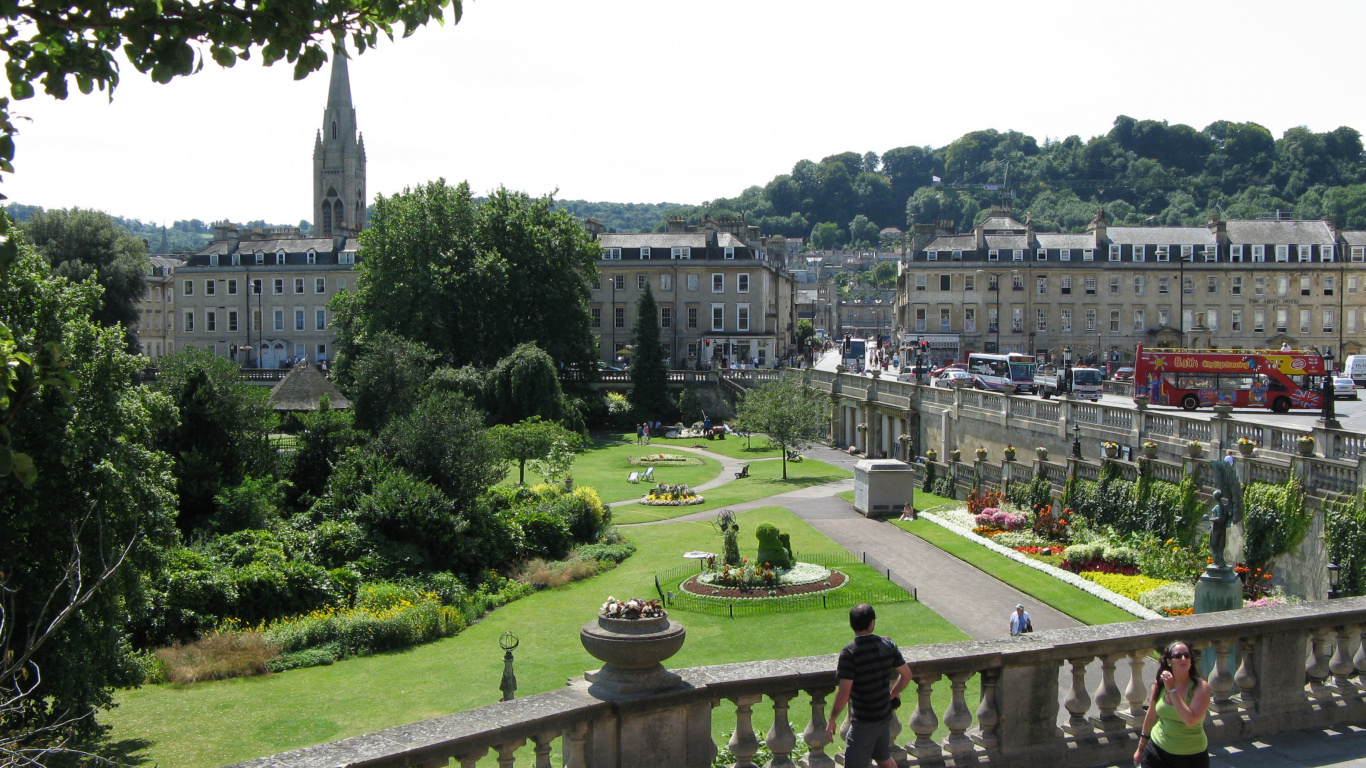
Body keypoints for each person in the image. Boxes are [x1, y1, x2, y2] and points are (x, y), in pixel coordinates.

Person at [826, 604, 912, 768]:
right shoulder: (888, 644)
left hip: (865, 720)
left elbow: (844, 693)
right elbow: (907, 675)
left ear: (851, 624)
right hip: (884, 715)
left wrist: (832, 719)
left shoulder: (850, 653)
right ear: (872, 623)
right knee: (883, 758)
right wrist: (893, 693)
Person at [1133, 640, 1211, 768]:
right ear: (1169, 661)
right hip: (1157, 750)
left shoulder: (1200, 687)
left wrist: (1172, 690)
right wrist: (1141, 748)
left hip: (1191, 756)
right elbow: (1152, 715)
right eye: (1177, 656)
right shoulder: (1161, 684)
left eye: (1187, 655)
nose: (1183, 659)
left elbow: (1190, 720)